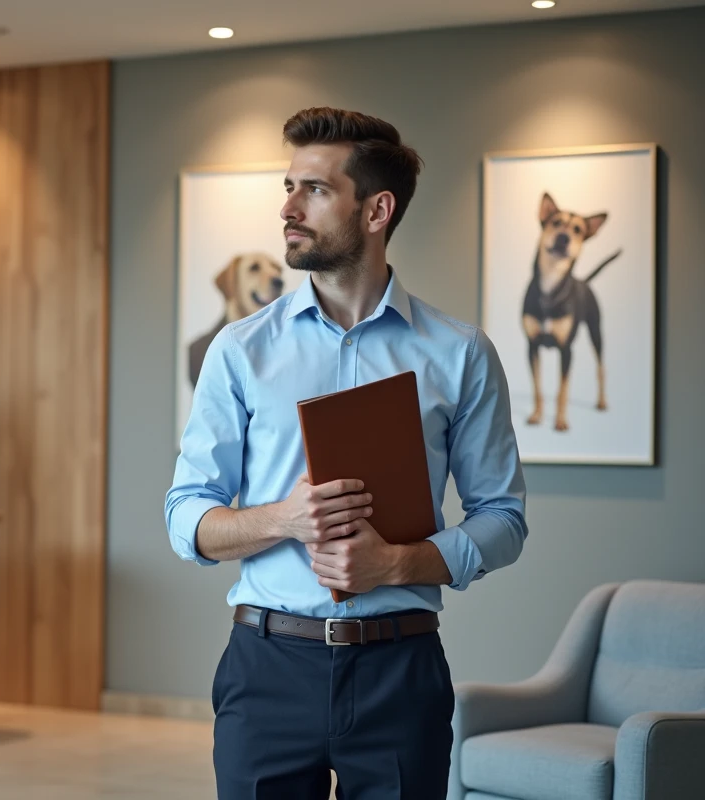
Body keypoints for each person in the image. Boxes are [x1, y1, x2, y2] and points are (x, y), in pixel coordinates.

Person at [164, 107, 527, 799]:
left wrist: (398, 562)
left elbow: (503, 519)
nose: (288, 208)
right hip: (265, 668)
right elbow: (187, 519)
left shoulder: (459, 354)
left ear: (376, 210)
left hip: (402, 670)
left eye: (314, 190)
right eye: (288, 186)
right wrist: (285, 519)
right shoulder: (240, 350)